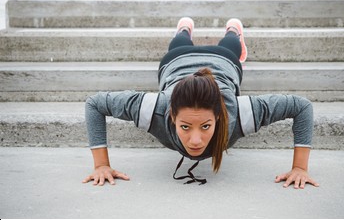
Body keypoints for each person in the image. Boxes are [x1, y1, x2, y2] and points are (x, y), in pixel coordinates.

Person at [83, 17, 319, 189]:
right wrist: (101, 164)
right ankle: (184, 29)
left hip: (222, 60)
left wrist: (300, 168)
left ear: (218, 116)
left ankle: (233, 30)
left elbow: (302, 107)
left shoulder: (240, 112)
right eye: (185, 126)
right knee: (178, 45)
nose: (195, 141)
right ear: (172, 116)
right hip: (177, 60)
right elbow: (95, 104)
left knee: (230, 46)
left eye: (205, 126)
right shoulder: (154, 109)